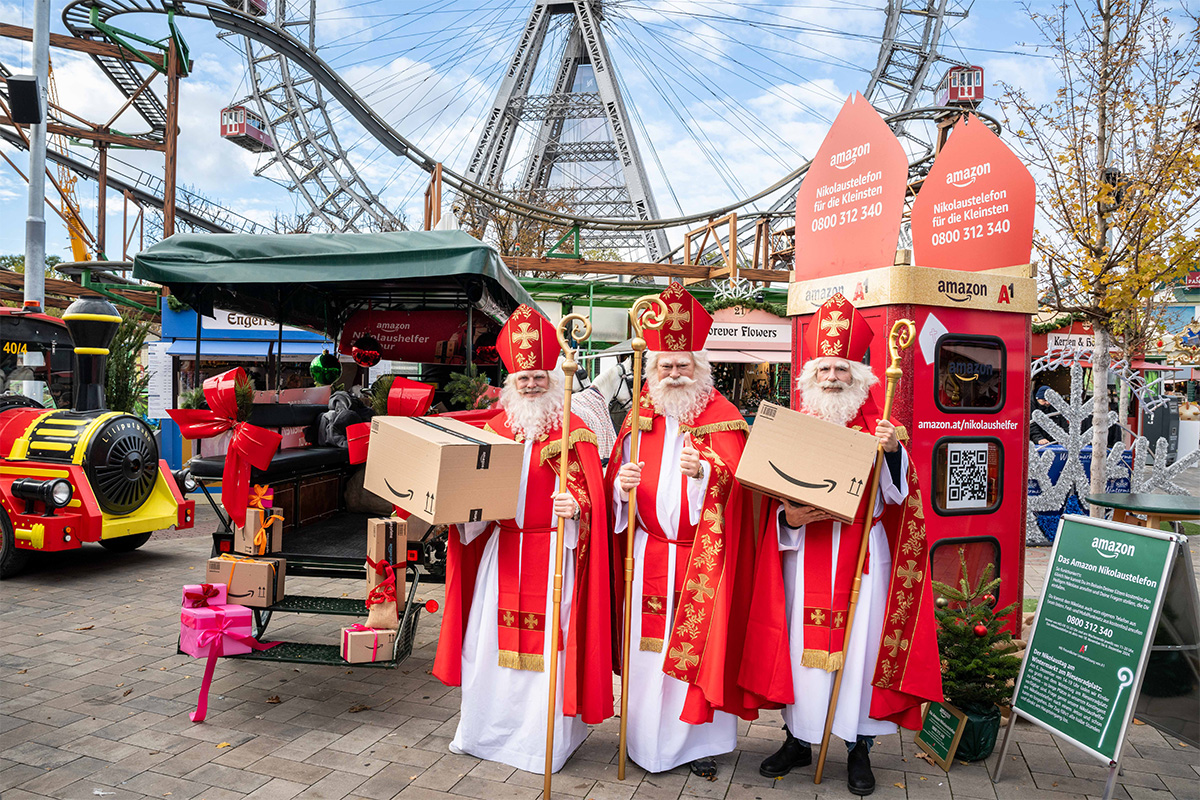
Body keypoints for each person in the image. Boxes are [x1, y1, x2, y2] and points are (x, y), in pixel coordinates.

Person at [740, 294, 942, 797]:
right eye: (824, 369)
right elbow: (771, 495)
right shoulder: (793, 424)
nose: (831, 378)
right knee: (798, 648)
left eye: (841, 369)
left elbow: (900, 495)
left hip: (861, 558)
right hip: (805, 555)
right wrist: (787, 516)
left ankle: (858, 748)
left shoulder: (881, 429)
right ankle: (798, 739)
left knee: (858, 652)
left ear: (859, 374)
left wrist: (893, 452)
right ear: (810, 376)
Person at [433, 305, 613, 773]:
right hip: (502, 551)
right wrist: (457, 512)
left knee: (552, 647)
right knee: (487, 644)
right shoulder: (494, 431)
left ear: (553, 376)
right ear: (511, 382)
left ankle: (541, 742)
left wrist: (577, 508)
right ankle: (483, 734)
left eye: (538, 376)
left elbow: (595, 497)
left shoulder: (578, 434)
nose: (531, 384)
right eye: (523, 379)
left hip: (555, 551)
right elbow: (473, 500)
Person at [606, 283, 756, 779]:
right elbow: (613, 483)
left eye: (683, 365)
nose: (673, 373)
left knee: (697, 651)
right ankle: (642, 737)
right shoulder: (637, 419)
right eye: (665, 365)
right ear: (651, 371)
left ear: (700, 369)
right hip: (648, 553)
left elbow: (743, 489)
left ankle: (696, 744)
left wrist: (706, 473)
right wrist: (620, 488)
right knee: (647, 653)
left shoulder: (724, 419)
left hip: (701, 558)